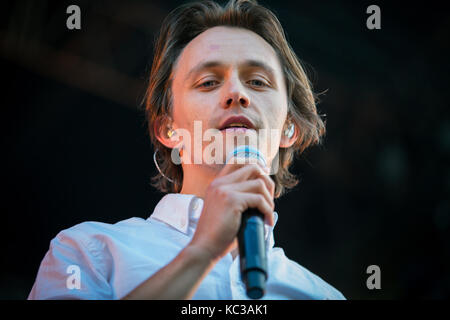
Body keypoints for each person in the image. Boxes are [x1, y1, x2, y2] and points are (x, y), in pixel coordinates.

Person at [28, 0, 345, 300]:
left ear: (289, 127)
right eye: (208, 82)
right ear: (168, 129)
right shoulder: (88, 253)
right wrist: (201, 252)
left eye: (259, 82)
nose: (236, 93)